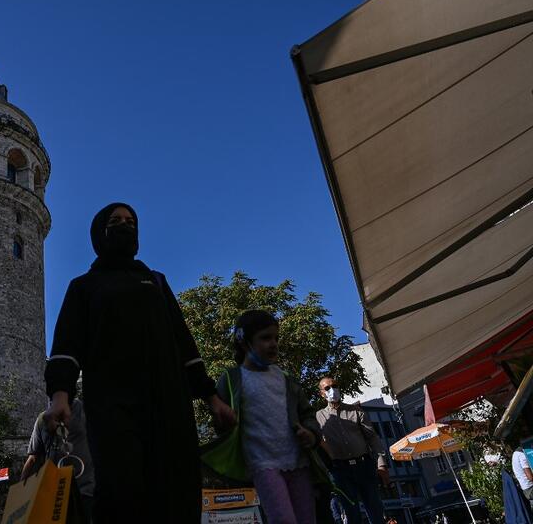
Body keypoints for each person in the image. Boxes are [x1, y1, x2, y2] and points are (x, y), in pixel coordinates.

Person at [43, 202, 236, 524]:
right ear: (99, 232)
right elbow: (67, 344)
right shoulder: (84, 286)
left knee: (177, 488)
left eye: (131, 222)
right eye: (115, 221)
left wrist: (212, 398)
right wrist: (59, 395)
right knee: (121, 489)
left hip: (169, 401)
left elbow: (184, 343)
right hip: (112, 404)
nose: (125, 226)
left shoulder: (156, 281)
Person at [215, 309, 320, 524]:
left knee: (307, 519)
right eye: (265, 338)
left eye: (276, 338)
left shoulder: (285, 378)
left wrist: (311, 433)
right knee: (283, 519)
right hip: (262, 464)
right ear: (244, 342)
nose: (273, 343)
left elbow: (307, 413)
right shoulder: (231, 379)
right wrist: (224, 422)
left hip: (297, 461)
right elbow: (219, 421)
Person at [316, 376, 389, 524]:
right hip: (340, 470)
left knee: (376, 510)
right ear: (322, 393)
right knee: (351, 514)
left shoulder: (356, 411)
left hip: (365, 466)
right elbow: (318, 445)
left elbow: (372, 438)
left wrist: (381, 464)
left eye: (334, 386)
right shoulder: (318, 417)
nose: (332, 390)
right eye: (327, 388)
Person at [21, 397, 95, 520]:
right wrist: (21, 492)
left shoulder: (86, 412)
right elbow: (33, 459)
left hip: (85, 493)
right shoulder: (42, 420)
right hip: (55, 496)